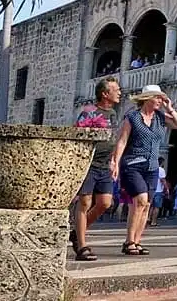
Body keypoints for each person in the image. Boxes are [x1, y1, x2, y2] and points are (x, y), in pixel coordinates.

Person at [110, 85, 177, 256]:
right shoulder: (132, 117)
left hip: (152, 167)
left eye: (161, 98)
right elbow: (122, 141)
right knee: (141, 200)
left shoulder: (160, 117)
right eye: (157, 98)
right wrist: (115, 161)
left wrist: (170, 109)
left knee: (145, 205)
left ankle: (136, 241)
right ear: (147, 99)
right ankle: (129, 240)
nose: (160, 100)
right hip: (132, 164)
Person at [70, 76, 122, 261]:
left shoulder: (113, 114)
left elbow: (114, 138)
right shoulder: (88, 112)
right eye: (116, 90)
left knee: (105, 203)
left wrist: (115, 161)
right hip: (89, 163)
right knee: (84, 203)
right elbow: (78, 136)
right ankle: (82, 246)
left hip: (105, 165)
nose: (119, 92)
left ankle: (77, 232)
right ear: (105, 94)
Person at [149, 157, 167, 227]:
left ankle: (148, 219)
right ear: (161, 162)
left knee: (150, 206)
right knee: (156, 207)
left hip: (151, 190)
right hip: (158, 190)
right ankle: (153, 221)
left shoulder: (152, 169)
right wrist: (166, 188)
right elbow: (163, 180)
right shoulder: (161, 170)